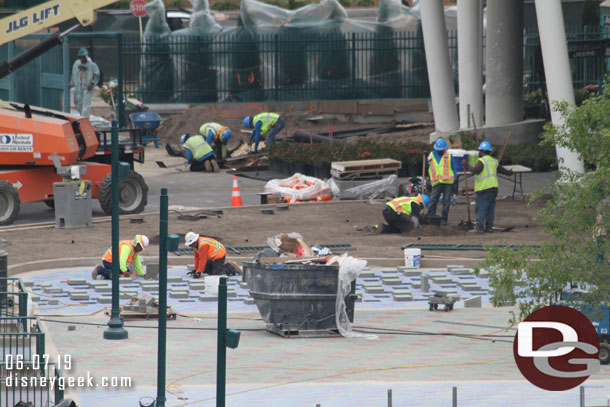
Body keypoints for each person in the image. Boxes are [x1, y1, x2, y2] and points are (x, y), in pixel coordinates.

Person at [462, 141, 513, 233]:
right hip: (493, 189)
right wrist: (509, 172)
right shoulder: (494, 161)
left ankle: (479, 228)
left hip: (483, 189)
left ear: (482, 151)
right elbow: (502, 170)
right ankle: (489, 227)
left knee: (481, 209)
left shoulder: (481, 161)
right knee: (490, 209)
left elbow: (475, 171)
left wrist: (466, 165)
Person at [426, 138, 456, 226]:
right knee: (433, 200)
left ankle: (444, 219)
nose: (440, 151)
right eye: (438, 150)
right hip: (436, 182)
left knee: (446, 201)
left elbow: (454, 168)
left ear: (444, 149)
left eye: (441, 150)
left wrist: (455, 179)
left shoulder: (449, 156)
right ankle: (430, 217)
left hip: (448, 182)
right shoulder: (431, 156)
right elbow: (428, 166)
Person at [69, 48, 100, 119]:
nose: (82, 59)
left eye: (83, 57)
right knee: (77, 102)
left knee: (86, 104)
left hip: (87, 88)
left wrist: (92, 83)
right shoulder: (77, 64)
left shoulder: (92, 65)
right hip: (78, 88)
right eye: (81, 57)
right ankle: (82, 116)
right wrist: (72, 82)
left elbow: (96, 75)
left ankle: (85, 120)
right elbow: (74, 74)